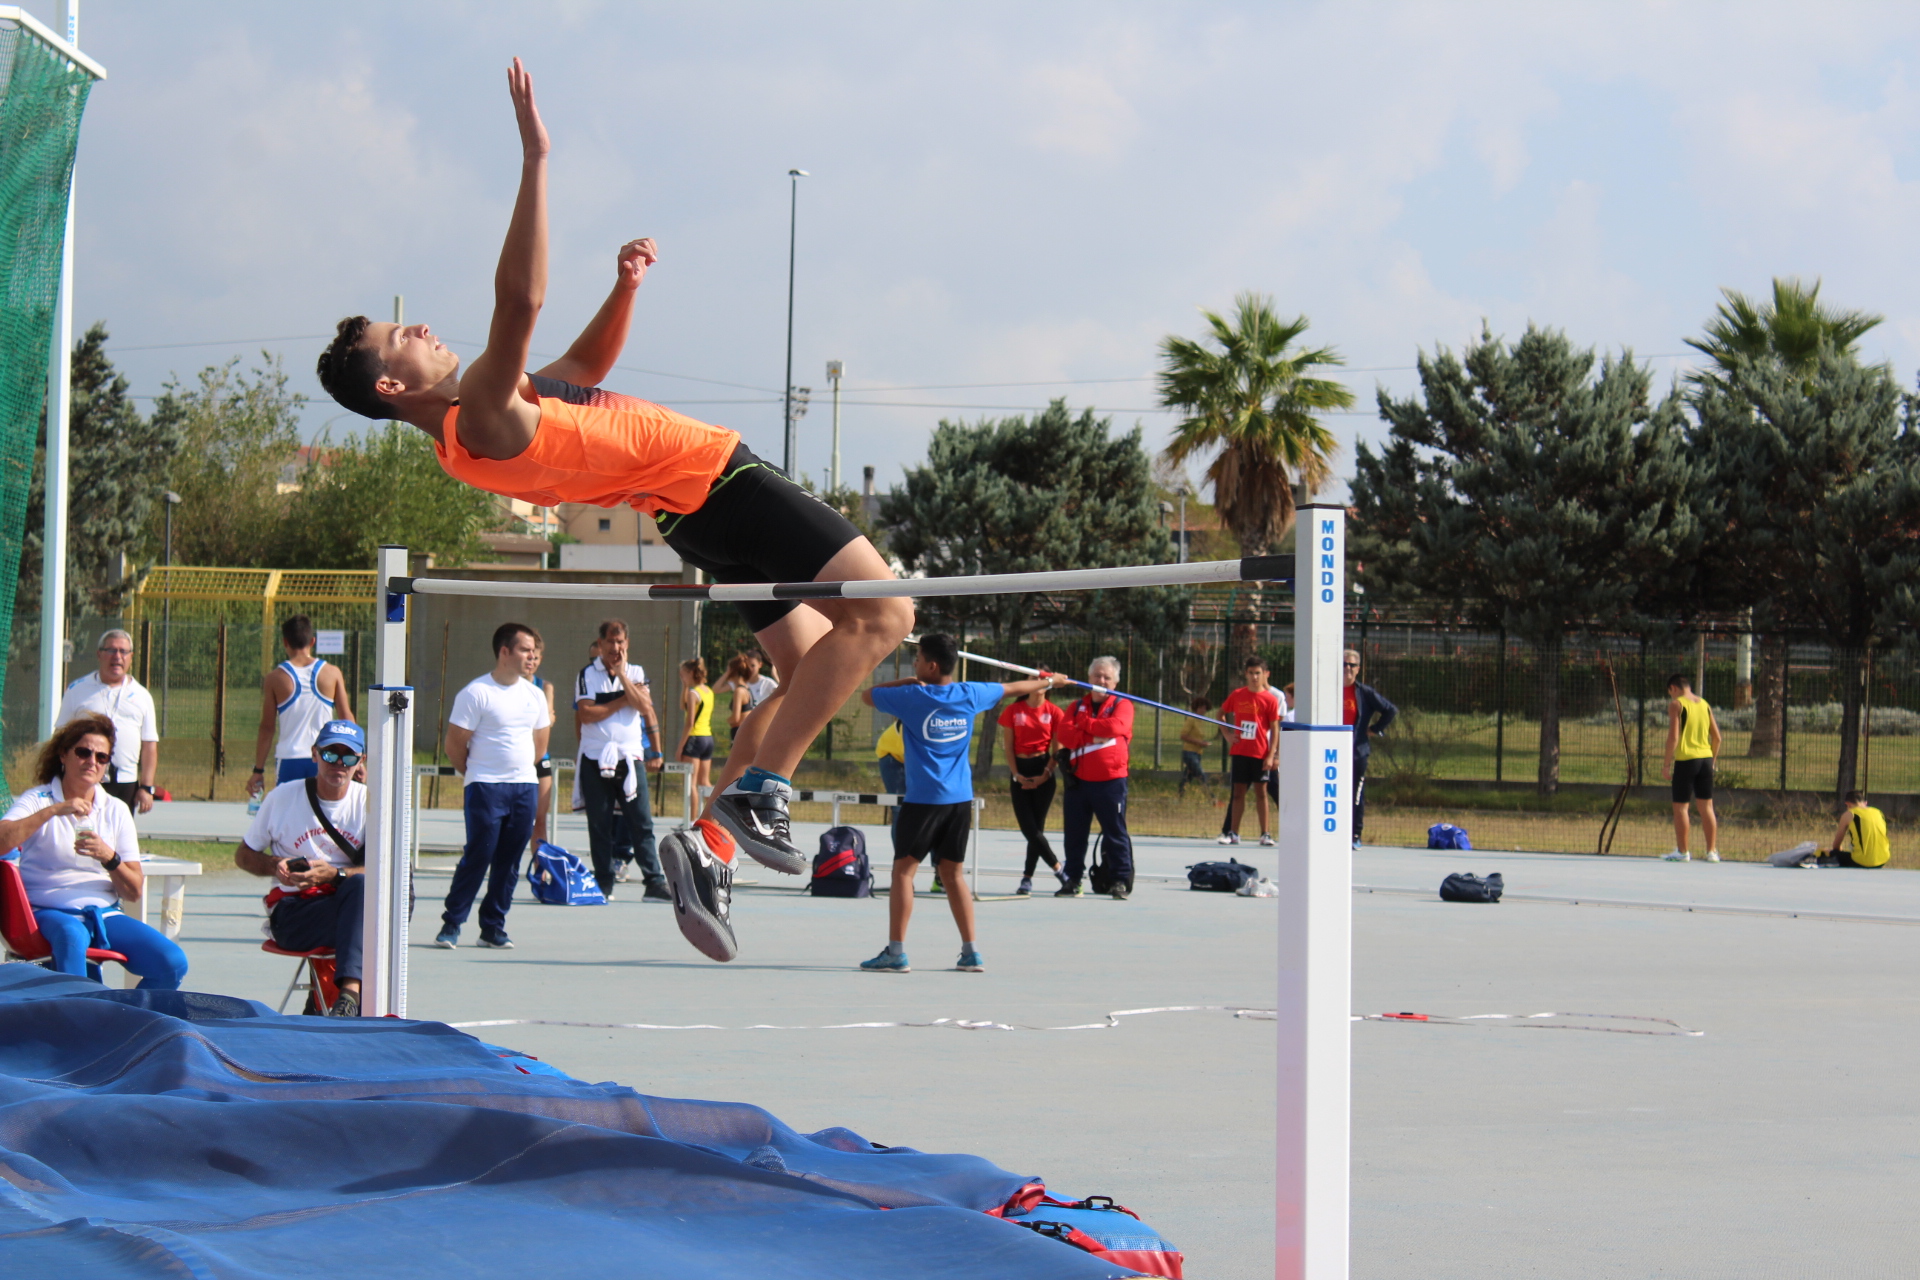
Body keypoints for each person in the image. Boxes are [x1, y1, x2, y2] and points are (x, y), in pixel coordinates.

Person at [314, 59, 911, 887]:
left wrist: (623, 290)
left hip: (687, 515)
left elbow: (585, 368)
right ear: (391, 387)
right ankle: (766, 790)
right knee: (886, 612)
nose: (419, 328)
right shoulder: (475, 413)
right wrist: (536, 159)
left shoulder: (485, 415)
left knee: (810, 662)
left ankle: (710, 845)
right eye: (399, 337)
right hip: (717, 480)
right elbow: (520, 303)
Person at [857, 633, 1066, 972]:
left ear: (931, 666)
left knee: (903, 872)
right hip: (959, 802)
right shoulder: (971, 694)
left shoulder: (911, 696)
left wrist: (907, 681)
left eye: (917, 660)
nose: (915, 665)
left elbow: (867, 696)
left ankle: (896, 953)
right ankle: (971, 952)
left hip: (923, 801)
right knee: (953, 874)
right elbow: (1013, 687)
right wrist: (1050, 682)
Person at [0, 713, 186, 988]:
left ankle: (126, 1014)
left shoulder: (116, 809)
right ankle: (79, 1013)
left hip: (103, 912)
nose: (92, 761)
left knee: (172, 961)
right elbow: (3, 840)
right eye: (84, 752)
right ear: (63, 755)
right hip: (48, 909)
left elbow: (134, 890)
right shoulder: (39, 799)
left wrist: (109, 857)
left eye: (101, 757)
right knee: (72, 935)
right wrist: (54, 810)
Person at [233, 721, 369, 1016]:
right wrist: (275, 865)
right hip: (294, 913)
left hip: (349, 909)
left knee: (363, 893)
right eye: (331, 754)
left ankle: (345, 997)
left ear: (361, 761)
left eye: (348, 757)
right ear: (315, 754)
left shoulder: (369, 803)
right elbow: (243, 856)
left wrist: (334, 875)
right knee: (363, 926)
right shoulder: (282, 797)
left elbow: (387, 872)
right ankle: (345, 1001)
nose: (339, 764)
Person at [436, 623, 552, 949]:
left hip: (524, 788)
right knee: (479, 854)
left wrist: (518, 772)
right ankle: (452, 923)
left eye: (533, 651)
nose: (531, 656)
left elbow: (540, 746)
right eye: (524, 650)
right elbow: (454, 746)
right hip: (485, 787)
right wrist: (478, 772)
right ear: (504, 652)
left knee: (509, 862)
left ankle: (493, 927)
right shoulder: (476, 693)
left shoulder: (535, 695)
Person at [574, 619, 668, 901]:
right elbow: (586, 714)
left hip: (630, 759)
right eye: (610, 642)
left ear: (627, 644)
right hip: (595, 758)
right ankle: (604, 882)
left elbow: (644, 706)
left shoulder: (636, 672)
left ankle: (654, 881)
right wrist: (625, 700)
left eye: (620, 642)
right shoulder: (586, 674)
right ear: (600, 644)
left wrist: (624, 677)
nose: (615, 647)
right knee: (599, 824)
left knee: (641, 822)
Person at [1054, 656, 1136, 900]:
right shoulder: (1076, 706)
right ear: (1088, 678)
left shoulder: (1123, 704)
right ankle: (1073, 879)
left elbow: (1115, 727)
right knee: (1074, 833)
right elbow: (1065, 735)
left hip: (1110, 780)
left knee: (1115, 832)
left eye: (1106, 677)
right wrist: (1091, 735)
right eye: (1097, 676)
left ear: (1115, 682)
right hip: (1078, 781)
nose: (1101, 681)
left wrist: (1084, 725)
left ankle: (1119, 880)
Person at [248, 614, 355, 800]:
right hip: (324, 756)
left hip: (290, 757)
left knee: (289, 813)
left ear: (285, 642)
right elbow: (347, 720)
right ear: (312, 641)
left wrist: (258, 770)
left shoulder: (275, 678)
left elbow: (267, 728)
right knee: (324, 811)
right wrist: (355, 760)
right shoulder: (332, 673)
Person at [55, 629, 158, 814]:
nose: (117, 656)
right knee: (81, 826)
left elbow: (149, 744)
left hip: (124, 782)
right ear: (99, 654)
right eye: (111, 650)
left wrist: (146, 787)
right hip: (84, 777)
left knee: (118, 829)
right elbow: (60, 736)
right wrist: (57, 774)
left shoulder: (142, 696)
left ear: (131, 657)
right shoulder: (77, 690)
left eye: (123, 651)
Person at [998, 685, 1067, 895]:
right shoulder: (1013, 710)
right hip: (1020, 771)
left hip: (1043, 770)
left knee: (1037, 829)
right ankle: (1059, 870)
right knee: (1029, 828)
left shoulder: (1054, 712)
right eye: (1033, 678)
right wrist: (1016, 774)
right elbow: (1008, 747)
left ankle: (1027, 878)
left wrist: (1046, 774)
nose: (1038, 683)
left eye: (1044, 679)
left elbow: (1058, 749)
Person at [1218, 656, 1283, 847]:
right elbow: (1220, 714)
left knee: (1261, 793)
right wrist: (1228, 735)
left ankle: (1265, 834)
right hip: (1240, 751)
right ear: (1246, 674)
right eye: (1251, 673)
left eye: (1258, 673)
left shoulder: (1270, 699)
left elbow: (1275, 728)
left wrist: (1272, 754)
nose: (1254, 677)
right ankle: (1233, 833)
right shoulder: (1238, 695)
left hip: (1260, 753)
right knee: (1238, 793)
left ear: (1264, 675)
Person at [1660, 672, 1722, 862]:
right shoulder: (1704, 704)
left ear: (1673, 688)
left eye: (1670, 692)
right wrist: (1712, 761)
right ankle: (1712, 852)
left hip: (1687, 760)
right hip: (1706, 760)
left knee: (1681, 807)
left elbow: (1673, 737)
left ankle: (1682, 852)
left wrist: (1666, 764)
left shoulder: (1676, 704)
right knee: (1707, 807)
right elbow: (1717, 738)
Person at [1343, 650, 1397, 849]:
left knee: (1355, 794)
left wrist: (1374, 729)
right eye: (1344, 664)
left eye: (1352, 665)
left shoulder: (1364, 693)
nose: (1347, 668)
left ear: (1358, 669)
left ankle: (1355, 834)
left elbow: (1390, 710)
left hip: (1357, 752)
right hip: (1332, 753)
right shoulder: (1329, 691)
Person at [528, 637, 558, 859]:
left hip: (539, 758)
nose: (532, 661)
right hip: (514, 761)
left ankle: (541, 872)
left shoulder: (544, 686)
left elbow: (548, 719)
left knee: (540, 820)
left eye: (536, 657)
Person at [677, 657, 716, 804]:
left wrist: (680, 747)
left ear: (691, 673)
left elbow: (690, 723)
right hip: (708, 738)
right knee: (704, 782)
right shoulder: (708, 691)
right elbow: (683, 706)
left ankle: (692, 816)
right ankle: (716, 814)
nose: (682, 678)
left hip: (695, 738)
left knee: (691, 783)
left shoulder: (693, 694)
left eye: (683, 675)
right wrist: (685, 686)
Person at [1818, 791, 1890, 868]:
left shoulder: (1849, 814)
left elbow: (1836, 845)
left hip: (1861, 862)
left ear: (1847, 804)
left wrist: (1836, 853)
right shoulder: (1878, 812)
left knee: (1824, 852)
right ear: (1865, 803)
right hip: (1883, 859)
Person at [1178, 698, 1211, 795]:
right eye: (1201, 708)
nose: (1203, 710)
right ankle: (1212, 797)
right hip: (1189, 753)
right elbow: (1183, 736)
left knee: (1188, 777)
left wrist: (1203, 743)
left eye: (1205, 708)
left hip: (1198, 753)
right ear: (1196, 708)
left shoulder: (1201, 721)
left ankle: (1180, 795)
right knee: (1201, 775)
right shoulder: (1191, 719)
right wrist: (1199, 743)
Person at [875, 718, 907, 795]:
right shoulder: (907, 726)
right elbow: (908, 753)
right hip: (890, 755)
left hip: (904, 756)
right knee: (899, 796)